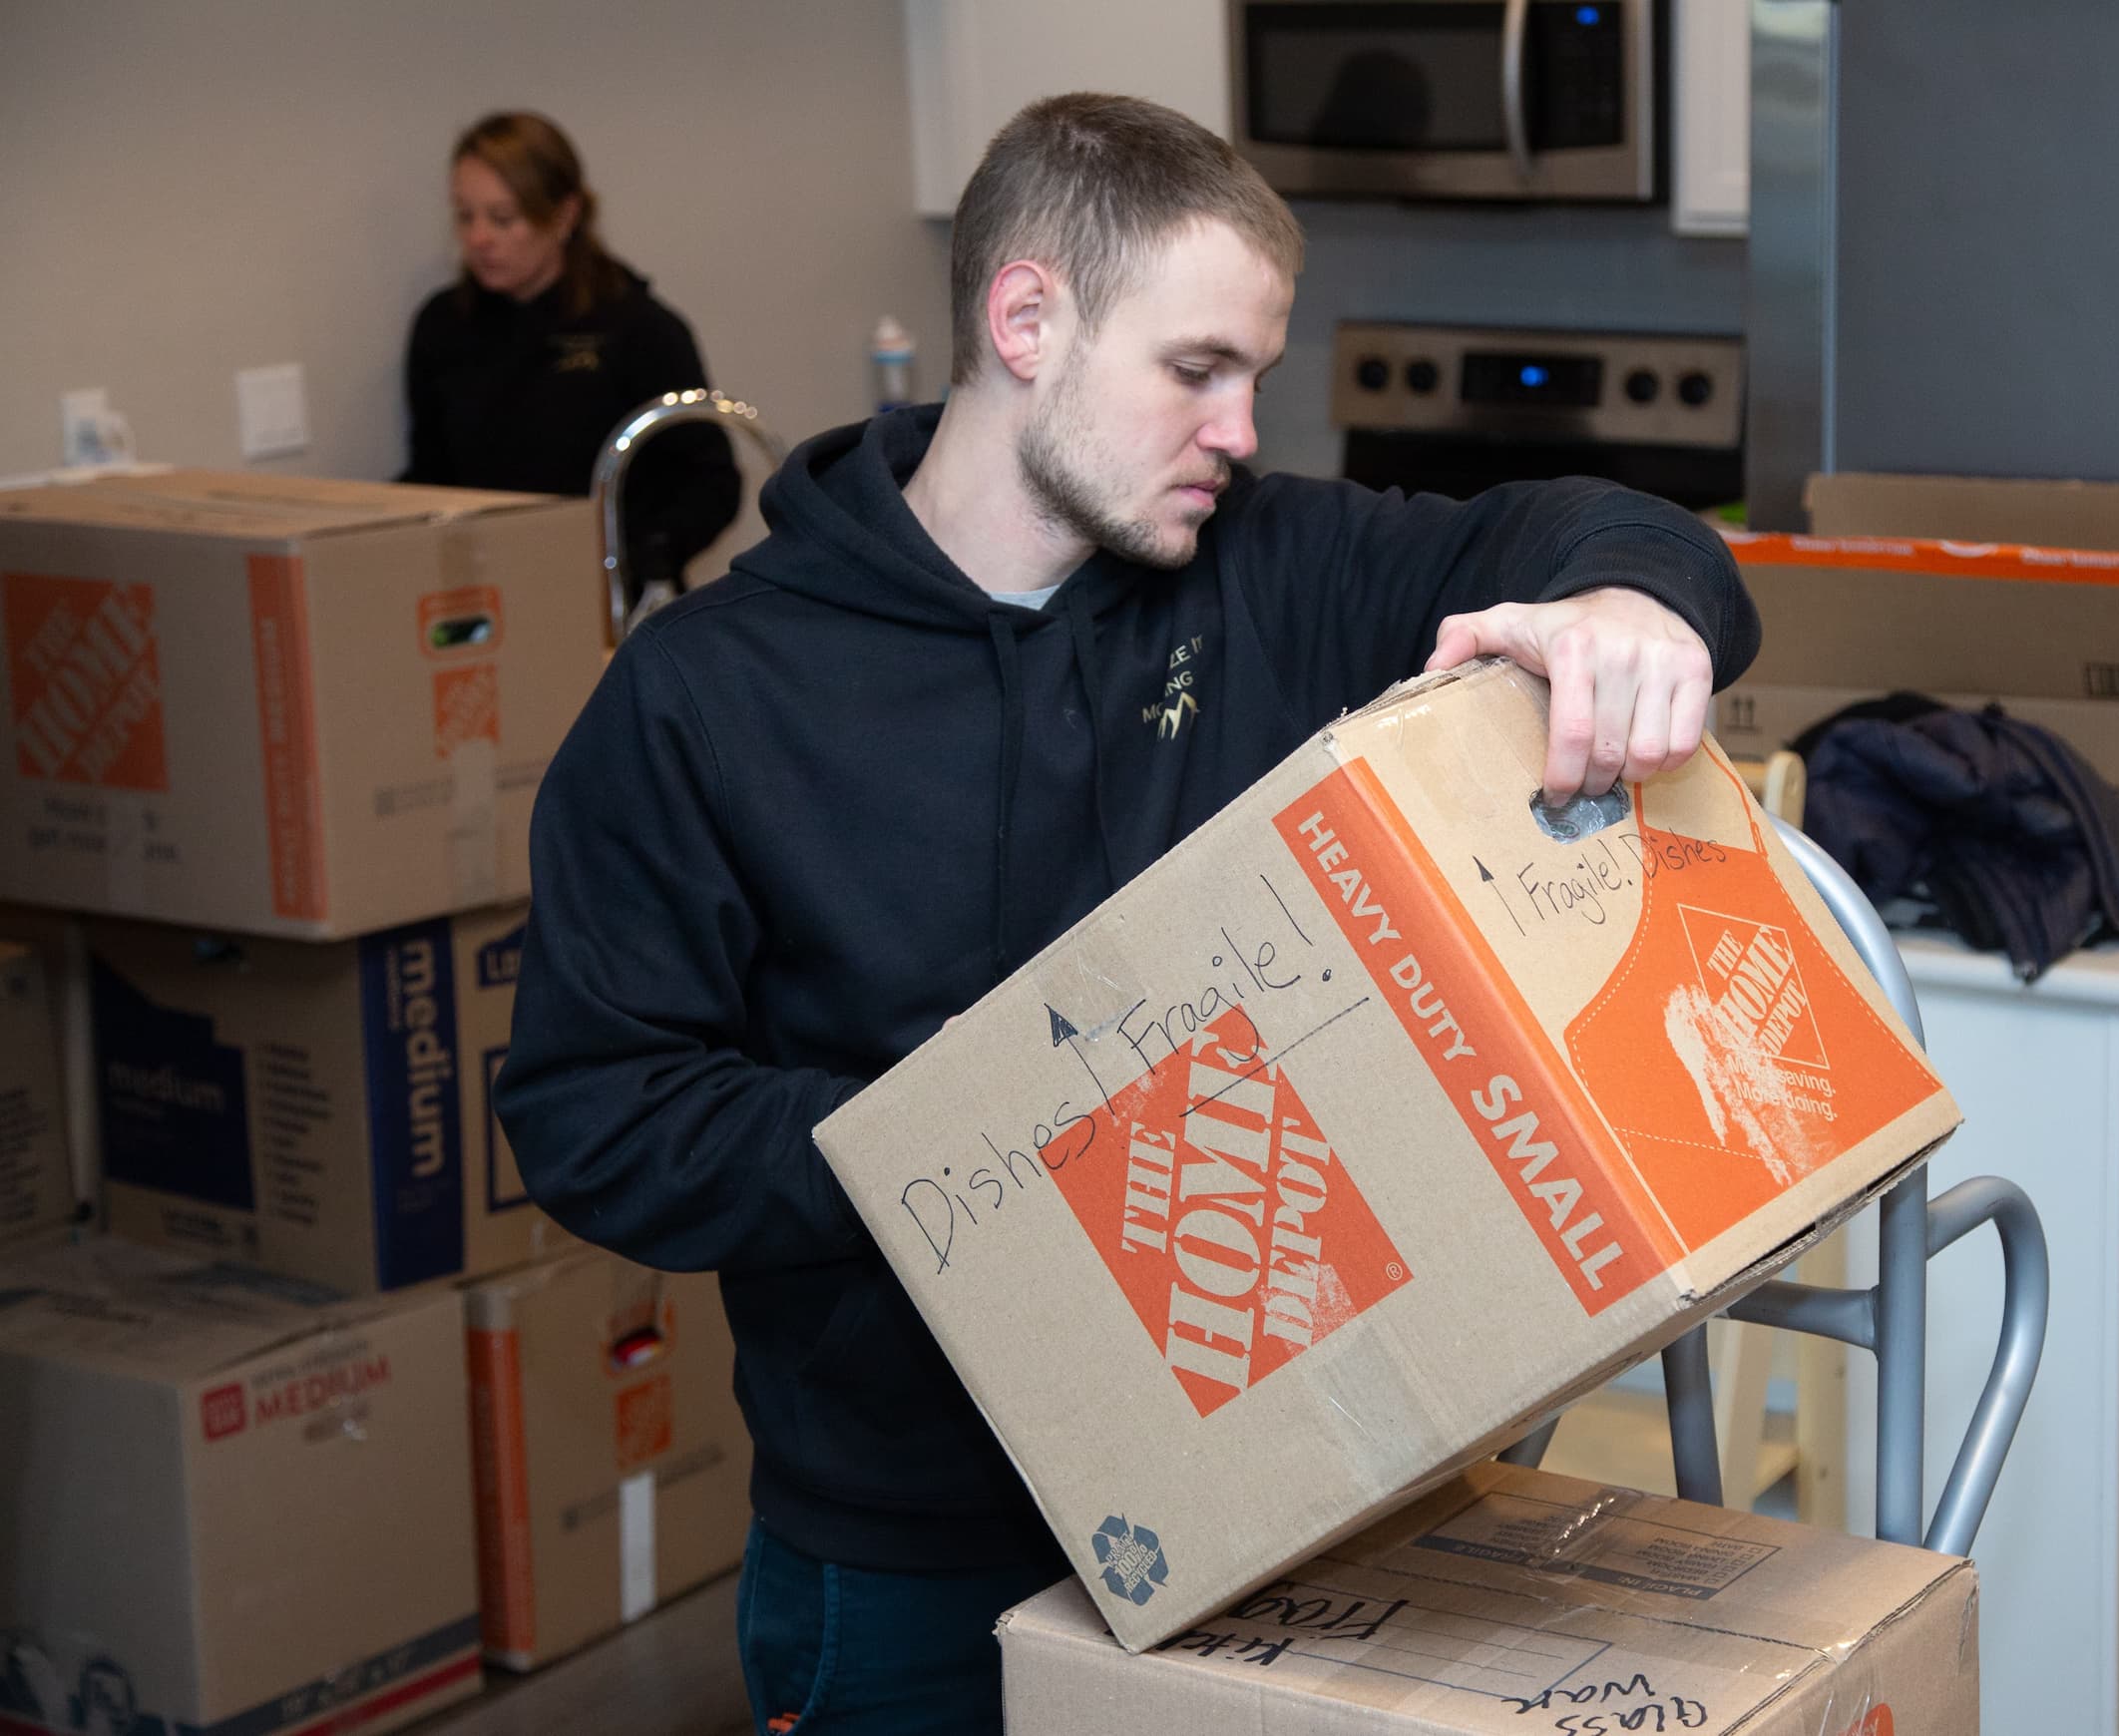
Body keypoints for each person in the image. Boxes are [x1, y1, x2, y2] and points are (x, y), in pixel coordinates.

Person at [494, 93, 1756, 1735]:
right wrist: (979, 1139)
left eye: (1257, 377)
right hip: (910, 1562)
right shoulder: (707, 697)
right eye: (1197, 370)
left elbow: (1584, 527)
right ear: (1027, 320)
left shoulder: (1269, 572)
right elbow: (595, 1118)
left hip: (1307, 1515)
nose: (1239, 430)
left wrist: (1631, 603)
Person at [401, 111, 739, 599]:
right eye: (464, 215)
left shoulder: (638, 329)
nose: (479, 238)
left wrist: (635, 558)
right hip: (482, 593)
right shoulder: (442, 326)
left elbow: (710, 483)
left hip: (608, 598)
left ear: (563, 215)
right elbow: (430, 474)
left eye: (502, 218)